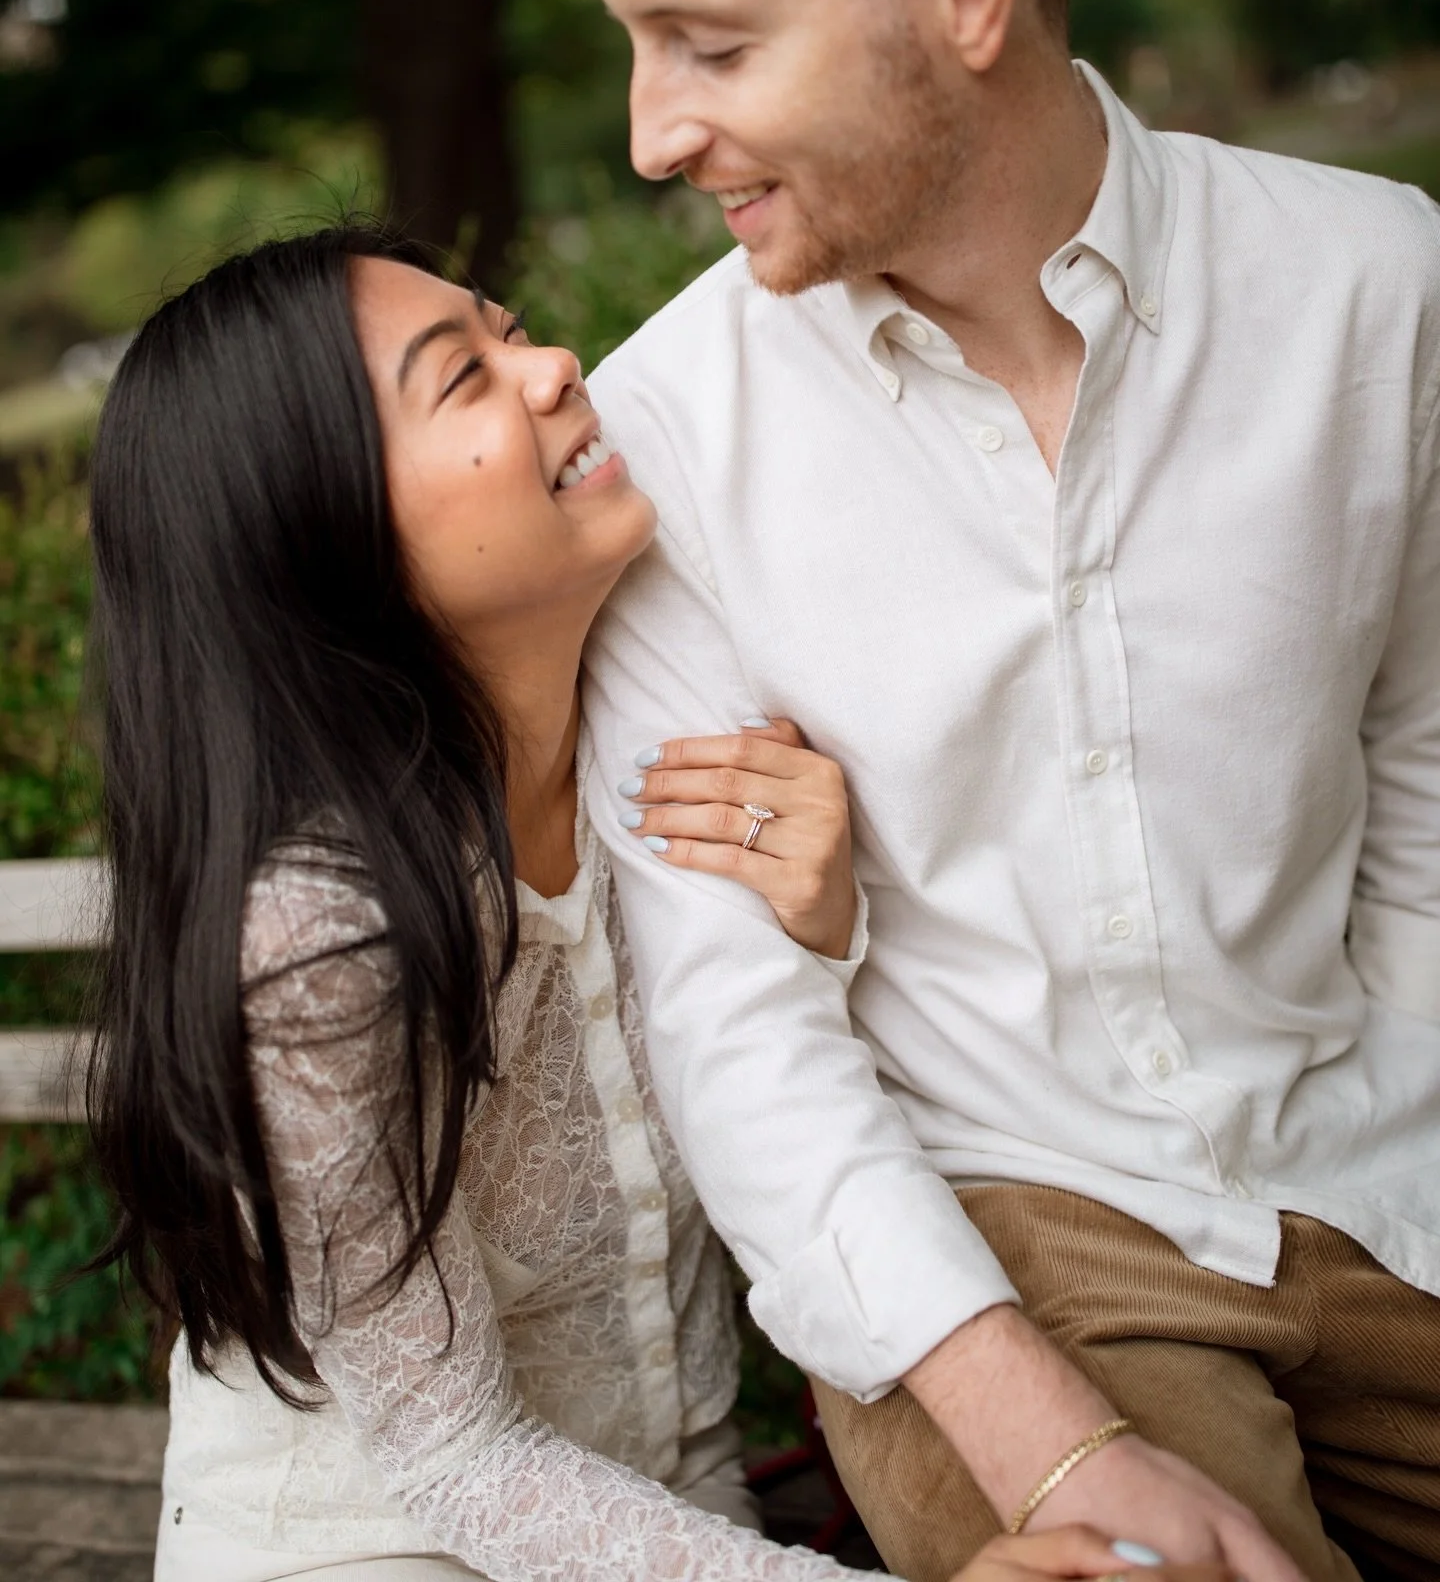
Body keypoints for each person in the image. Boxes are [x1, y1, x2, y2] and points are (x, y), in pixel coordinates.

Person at [536, 0, 1440, 1582]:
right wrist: (1043, 1448)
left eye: (704, 43)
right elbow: (736, 1030)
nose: (648, 132)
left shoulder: (1383, 293)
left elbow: (1423, 768)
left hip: (1383, 1175)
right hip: (993, 1244)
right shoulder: (667, 443)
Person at [84, 226, 1192, 1582]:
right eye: (464, 381)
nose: (556, 368)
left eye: (509, 329)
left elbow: (778, 1132)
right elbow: (449, 1459)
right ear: (322, 532)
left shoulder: (661, 730)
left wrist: (820, 937)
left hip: (676, 1506)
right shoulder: (319, 933)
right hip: (371, 1544)